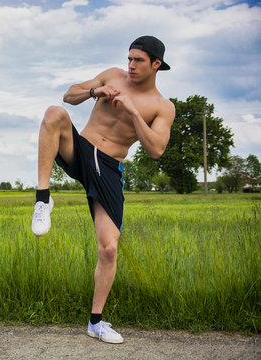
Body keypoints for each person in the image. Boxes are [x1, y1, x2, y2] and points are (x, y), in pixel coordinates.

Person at [31, 35, 175, 344]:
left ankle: (96, 323)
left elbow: (156, 149)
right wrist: (96, 91)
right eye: (129, 58)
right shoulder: (112, 75)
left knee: (109, 248)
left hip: (109, 168)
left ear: (156, 64)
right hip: (82, 151)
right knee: (53, 114)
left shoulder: (163, 106)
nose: (130, 65)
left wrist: (133, 111)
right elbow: (69, 95)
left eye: (138, 60)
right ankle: (43, 199)